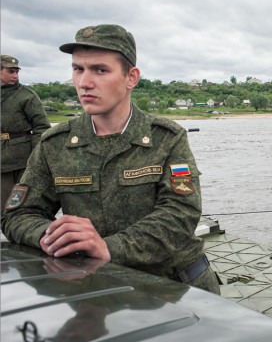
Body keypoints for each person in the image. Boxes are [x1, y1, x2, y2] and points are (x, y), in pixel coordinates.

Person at [1, 24, 220, 294]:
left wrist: (108, 247)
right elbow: (18, 215)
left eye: (100, 70)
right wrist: (52, 236)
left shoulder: (167, 138)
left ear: (131, 77)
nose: (84, 82)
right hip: (98, 291)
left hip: (174, 290)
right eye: (78, 69)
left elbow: (181, 214)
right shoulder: (54, 144)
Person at [1, 54, 51, 210]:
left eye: (16, 71)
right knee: (3, 208)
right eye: (10, 71)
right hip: (1, 161)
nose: (15, 75)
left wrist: (37, 158)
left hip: (22, 161)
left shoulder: (26, 96)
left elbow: (42, 128)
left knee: (20, 207)